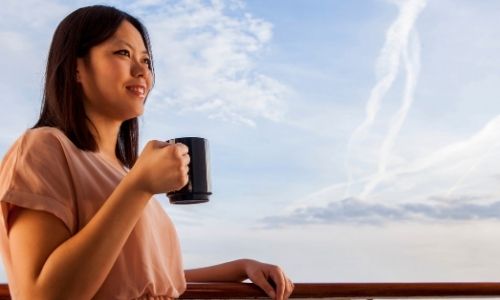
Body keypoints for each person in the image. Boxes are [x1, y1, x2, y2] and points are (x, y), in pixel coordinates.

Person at [0, 5, 294, 300]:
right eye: (123, 53)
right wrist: (139, 187)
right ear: (76, 67)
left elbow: (141, 279)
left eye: (146, 60)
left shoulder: (122, 173)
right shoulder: (44, 148)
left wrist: (239, 267)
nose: (142, 71)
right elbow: (40, 294)